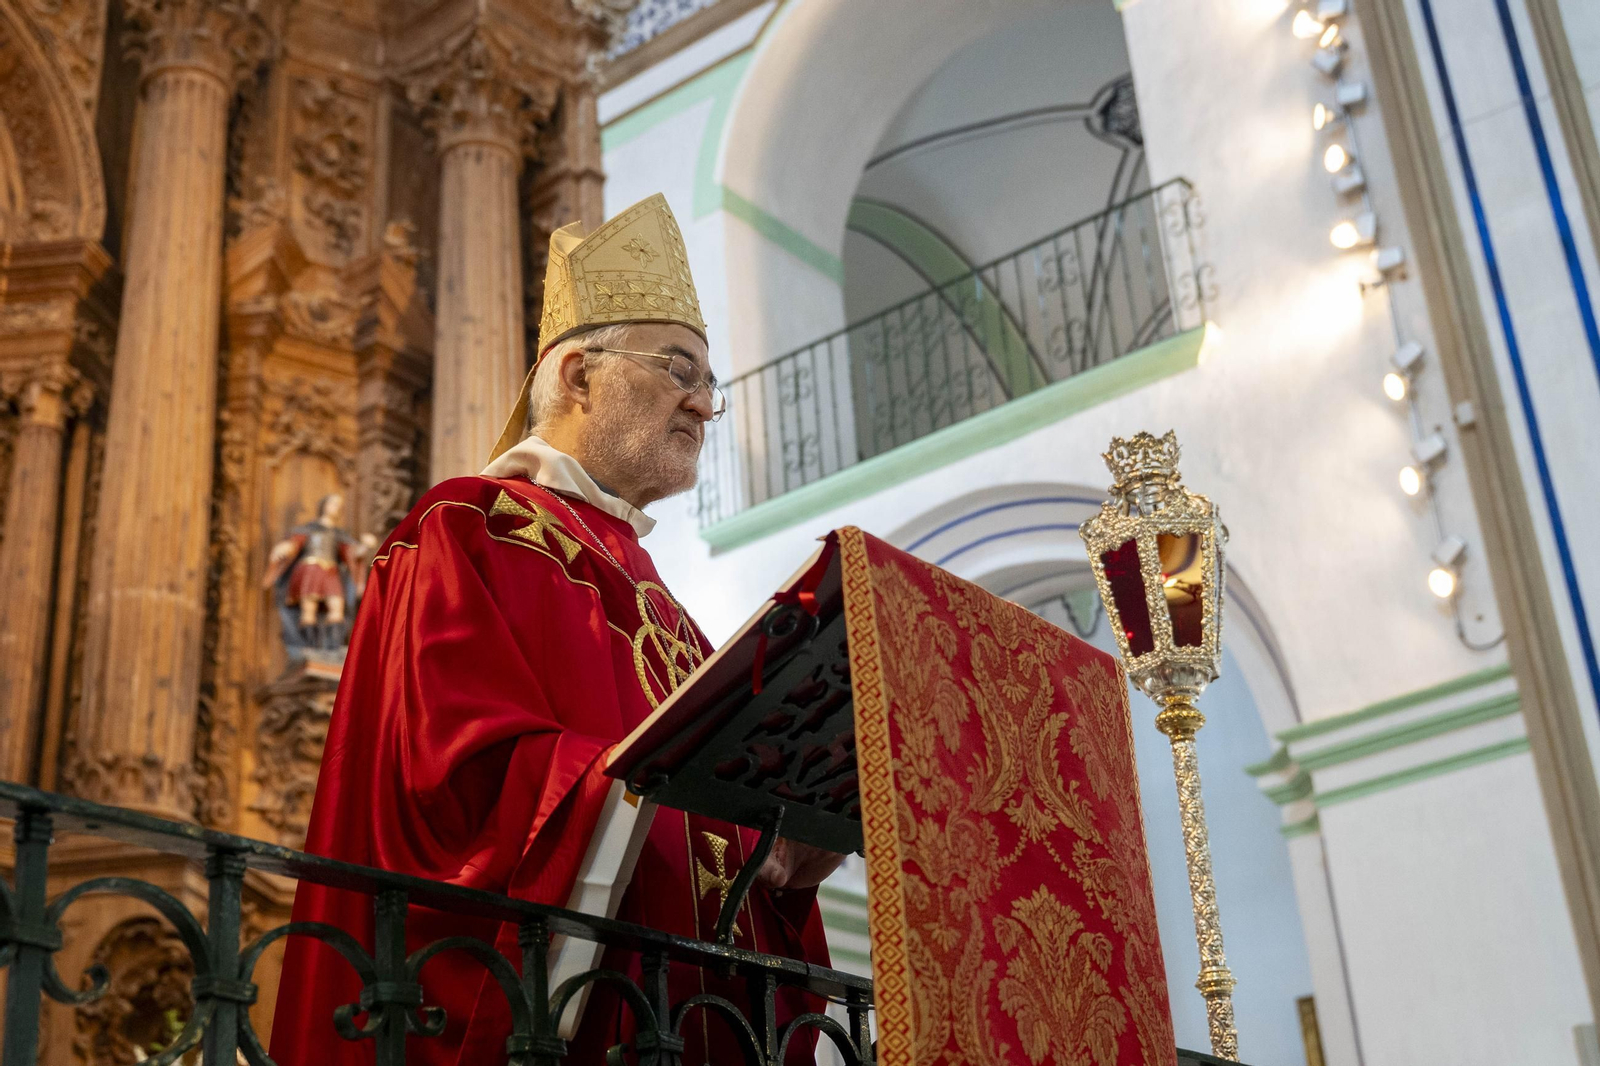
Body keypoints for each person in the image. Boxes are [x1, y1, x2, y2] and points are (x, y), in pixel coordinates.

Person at [270, 194, 842, 1065]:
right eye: (680, 369)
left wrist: (786, 840)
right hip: (565, 1023)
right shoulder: (471, 528)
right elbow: (451, 779)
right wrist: (664, 809)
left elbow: (714, 828)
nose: (705, 405)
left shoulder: (674, 616)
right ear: (579, 376)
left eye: (709, 381)